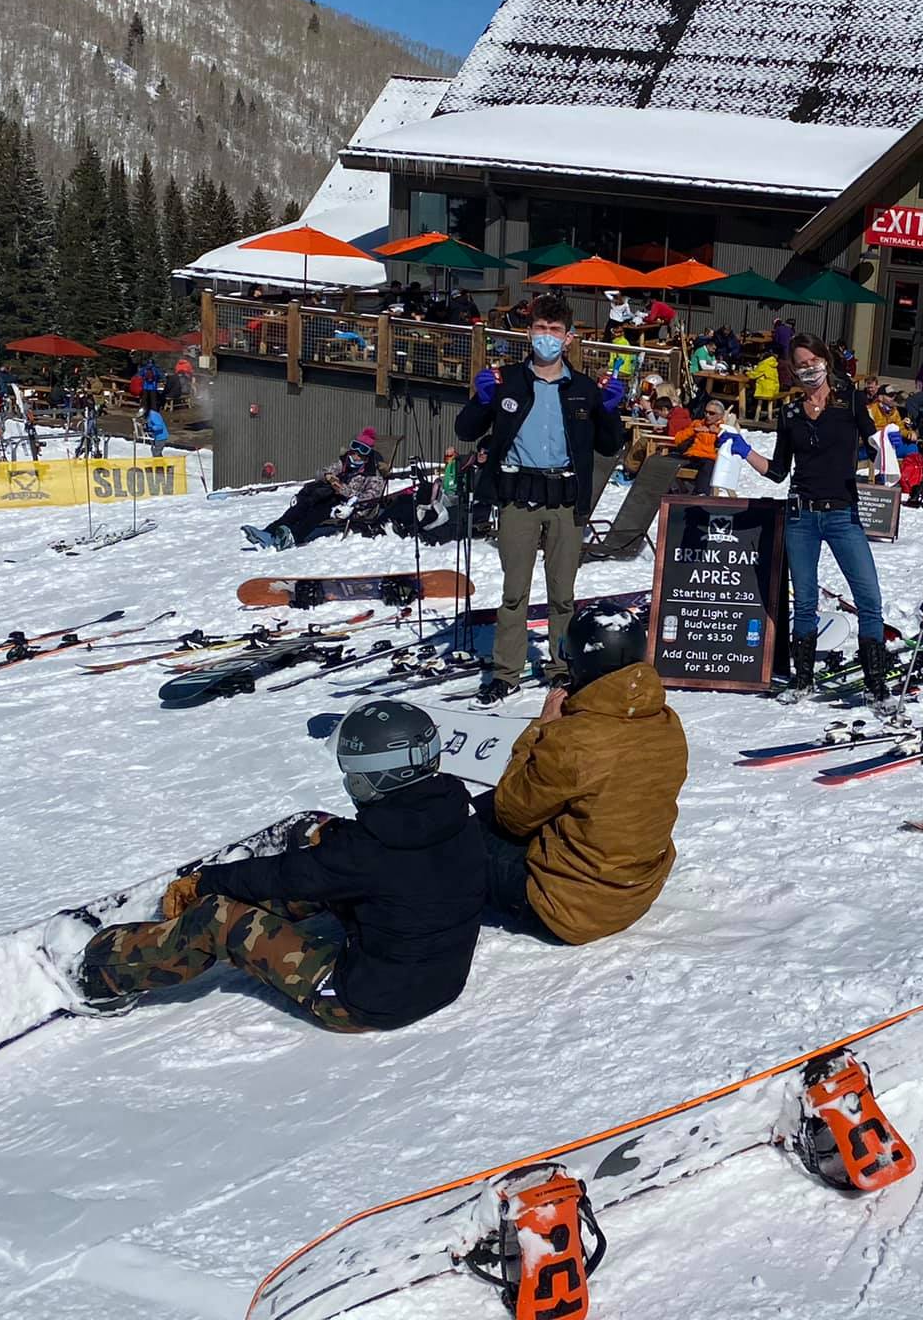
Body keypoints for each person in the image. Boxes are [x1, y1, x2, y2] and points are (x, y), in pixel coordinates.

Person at [45, 699, 489, 1030]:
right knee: (325, 850)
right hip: (441, 982)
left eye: (352, 773)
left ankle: (102, 974)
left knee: (219, 920)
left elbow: (285, 875)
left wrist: (206, 884)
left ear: (373, 777)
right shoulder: (458, 810)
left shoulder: (365, 854)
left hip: (362, 1001)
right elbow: (352, 869)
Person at [475, 602, 685, 942]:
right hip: (636, 890)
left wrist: (541, 729)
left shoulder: (575, 739)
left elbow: (511, 814)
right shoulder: (665, 721)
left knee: (456, 836)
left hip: (569, 908)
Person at [457, 293, 627, 705]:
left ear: (568, 338)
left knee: (561, 594)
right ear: (528, 332)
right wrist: (481, 400)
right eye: (540, 329)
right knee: (514, 592)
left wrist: (608, 410)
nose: (546, 337)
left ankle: (562, 666)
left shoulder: (583, 388)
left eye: (555, 330)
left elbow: (610, 445)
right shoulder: (506, 381)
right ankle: (506, 671)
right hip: (518, 497)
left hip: (566, 500)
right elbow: (466, 430)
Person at [725, 333, 890, 703]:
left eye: (812, 361)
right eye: (799, 364)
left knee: (868, 596)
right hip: (801, 515)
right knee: (805, 600)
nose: (807, 369)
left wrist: (884, 453)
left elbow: (872, 441)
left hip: (842, 514)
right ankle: (803, 680)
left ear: (825, 361)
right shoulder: (790, 413)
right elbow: (780, 470)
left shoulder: (849, 402)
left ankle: (877, 682)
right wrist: (744, 450)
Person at [242, 428, 386, 550]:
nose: (355, 456)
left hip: (348, 506)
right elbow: (321, 472)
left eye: (360, 454)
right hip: (331, 496)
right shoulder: (344, 463)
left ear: (367, 456)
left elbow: (371, 497)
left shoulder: (373, 474)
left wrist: (344, 490)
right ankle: (268, 533)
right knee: (302, 505)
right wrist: (328, 476)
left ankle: (293, 536)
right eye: (353, 451)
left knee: (319, 511)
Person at [746, 349, 783, 422]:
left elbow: (754, 375)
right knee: (770, 402)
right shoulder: (773, 364)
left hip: (764, 387)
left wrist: (747, 372)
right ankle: (769, 417)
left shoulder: (764, 364)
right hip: (773, 388)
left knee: (760, 403)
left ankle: (756, 417)